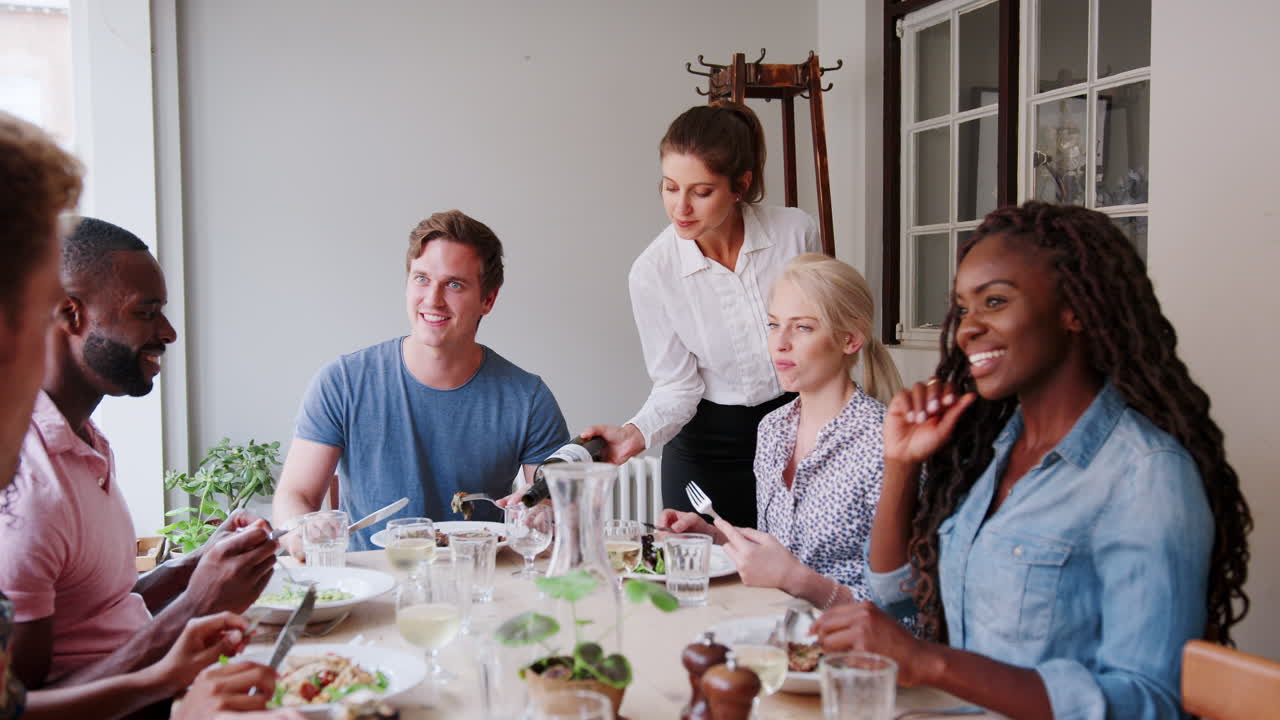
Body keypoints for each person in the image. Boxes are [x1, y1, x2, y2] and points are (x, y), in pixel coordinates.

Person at [812, 203, 1253, 719]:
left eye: (995, 302)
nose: (967, 329)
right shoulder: (992, 451)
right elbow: (897, 597)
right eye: (963, 308)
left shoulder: (1146, 475)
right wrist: (901, 463)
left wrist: (930, 663)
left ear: (1075, 309)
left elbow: (1150, 701)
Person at [0, 112, 297, 720]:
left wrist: (193, 569)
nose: (167, 332)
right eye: (145, 311)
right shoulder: (28, 492)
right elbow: (28, 706)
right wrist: (193, 612)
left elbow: (102, 610)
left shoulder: (83, 439)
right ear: (67, 313)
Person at [274, 209, 569, 554]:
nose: (432, 299)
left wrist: (543, 514)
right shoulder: (341, 383)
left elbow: (552, 507)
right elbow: (296, 494)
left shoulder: (528, 398)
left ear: (488, 299)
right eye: (422, 279)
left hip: (483, 576)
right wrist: (300, 532)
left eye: (454, 284)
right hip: (373, 576)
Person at [581, 101, 820, 529]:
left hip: (798, 431)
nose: (681, 208)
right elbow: (677, 386)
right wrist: (635, 434)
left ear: (740, 185)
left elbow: (823, 339)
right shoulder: (653, 273)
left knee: (795, 566)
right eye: (670, 187)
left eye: (701, 192)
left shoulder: (794, 234)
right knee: (699, 568)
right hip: (707, 450)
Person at [658, 254, 902, 608]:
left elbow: (904, 608)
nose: (780, 342)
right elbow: (778, 552)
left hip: (848, 641)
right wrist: (713, 536)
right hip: (777, 626)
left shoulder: (886, 444)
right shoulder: (773, 429)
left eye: (803, 327)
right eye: (774, 324)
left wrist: (797, 580)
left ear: (850, 339)